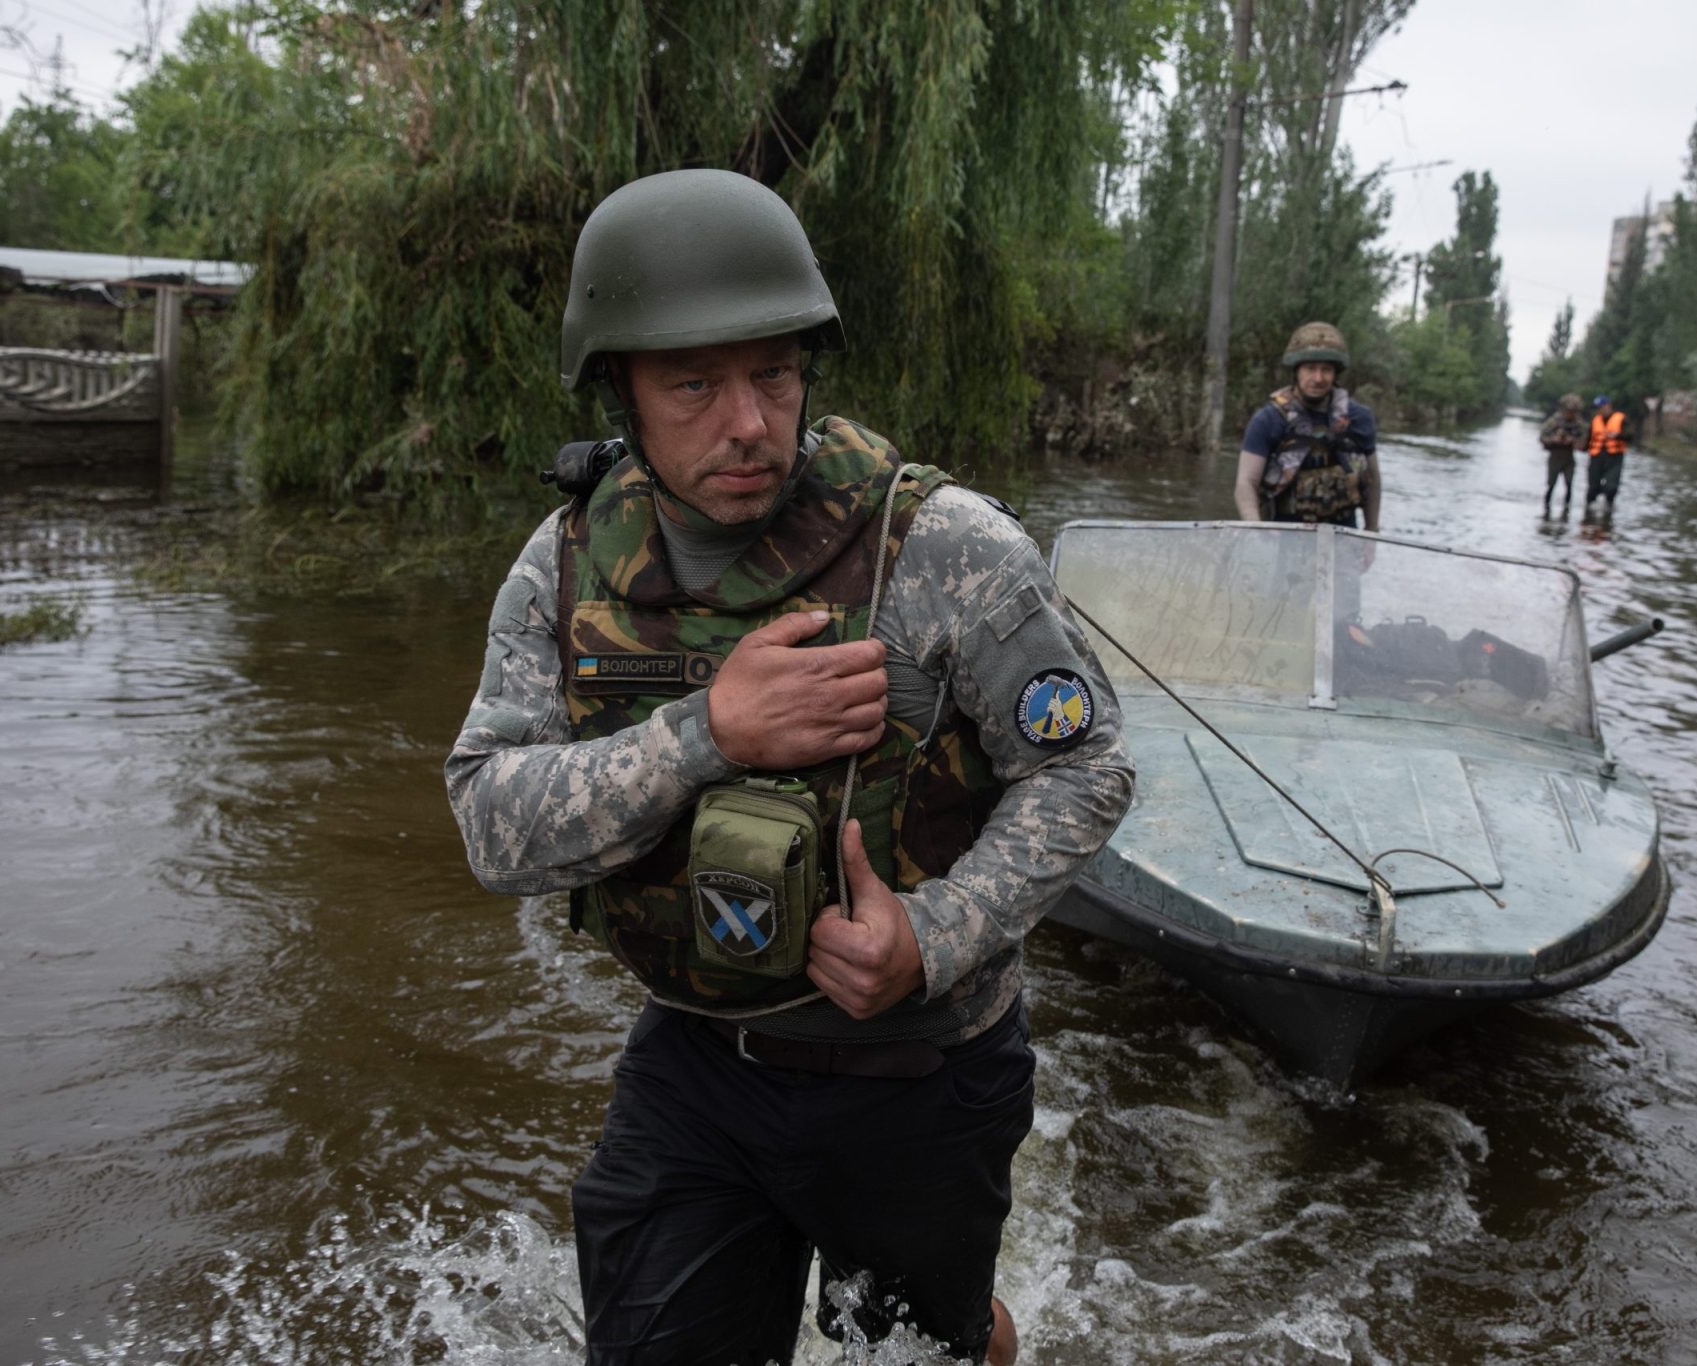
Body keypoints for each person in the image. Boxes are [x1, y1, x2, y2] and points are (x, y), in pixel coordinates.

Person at [443, 169, 1135, 1366]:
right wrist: (706, 732)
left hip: (920, 1073)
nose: (748, 423)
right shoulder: (566, 563)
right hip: (695, 1065)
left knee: (920, 1351)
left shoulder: (946, 548)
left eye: (772, 374)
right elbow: (490, 826)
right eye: (693, 384)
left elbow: (1086, 769)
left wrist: (935, 933)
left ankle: (975, 1332)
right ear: (620, 389)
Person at [1233, 321, 1381, 530]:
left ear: (1335, 373)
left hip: (1344, 537)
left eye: (1326, 370)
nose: (1318, 378)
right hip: (1283, 535)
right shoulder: (1269, 420)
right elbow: (1246, 483)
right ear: (1297, 371)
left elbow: (1372, 481)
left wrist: (1371, 532)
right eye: (1310, 369)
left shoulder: (1358, 418)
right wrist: (1255, 529)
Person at [1538, 392, 1585, 516]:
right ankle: (1546, 509)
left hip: (1569, 457)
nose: (1571, 414)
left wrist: (1573, 441)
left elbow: (1584, 441)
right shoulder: (1554, 421)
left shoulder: (1578, 424)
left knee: (1569, 484)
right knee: (1551, 485)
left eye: (1574, 411)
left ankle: (1566, 510)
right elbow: (1542, 437)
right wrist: (1554, 439)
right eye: (1569, 411)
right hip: (1555, 456)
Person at [1585, 393, 1630, 515]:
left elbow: (1630, 435)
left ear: (1608, 405)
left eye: (1601, 407)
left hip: (1614, 457)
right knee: (1593, 487)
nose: (1599, 410)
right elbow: (1588, 439)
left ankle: (1608, 509)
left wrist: (1618, 435)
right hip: (1596, 456)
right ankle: (1588, 513)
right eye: (1597, 408)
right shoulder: (1595, 420)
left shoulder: (1621, 418)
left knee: (1611, 487)